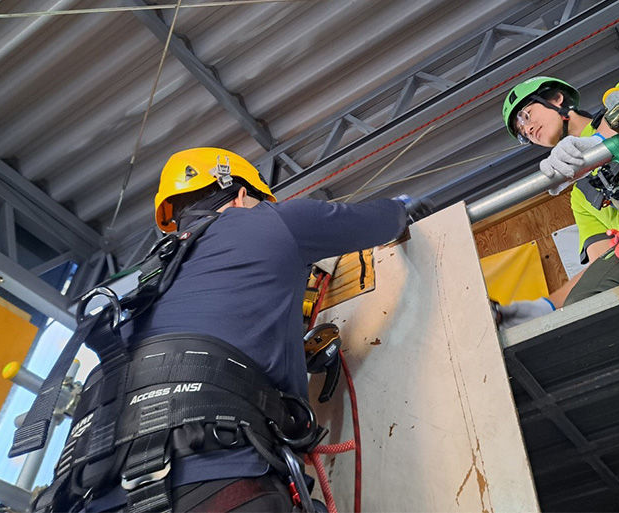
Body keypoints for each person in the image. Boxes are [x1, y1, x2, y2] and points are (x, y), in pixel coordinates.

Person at [28, 148, 421, 513]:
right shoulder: (276, 221)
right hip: (217, 479)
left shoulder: (143, 280)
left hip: (88, 490)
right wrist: (405, 207)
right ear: (239, 194)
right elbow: (381, 221)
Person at [495, 76, 619, 328]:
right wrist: (545, 306)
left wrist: (599, 144)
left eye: (526, 116)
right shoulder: (580, 197)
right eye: (522, 134)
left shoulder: (615, 102)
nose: (527, 130)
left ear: (556, 99)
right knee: (584, 304)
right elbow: (603, 263)